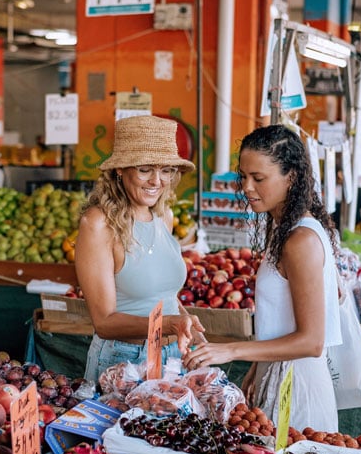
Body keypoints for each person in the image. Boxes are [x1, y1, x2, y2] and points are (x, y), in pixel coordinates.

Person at [183, 124, 342, 433]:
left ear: (291, 177)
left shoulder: (300, 240)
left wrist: (231, 350)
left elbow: (312, 341)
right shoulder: (284, 228)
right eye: (243, 176)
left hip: (298, 389)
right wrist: (259, 363)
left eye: (258, 178)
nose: (247, 187)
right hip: (281, 374)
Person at [75, 114, 206, 383]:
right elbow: (104, 322)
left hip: (171, 356)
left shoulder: (164, 217)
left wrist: (191, 329)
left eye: (166, 170)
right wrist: (169, 323)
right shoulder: (98, 224)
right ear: (120, 170)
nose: (156, 181)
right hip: (121, 360)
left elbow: (163, 294)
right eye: (145, 169)